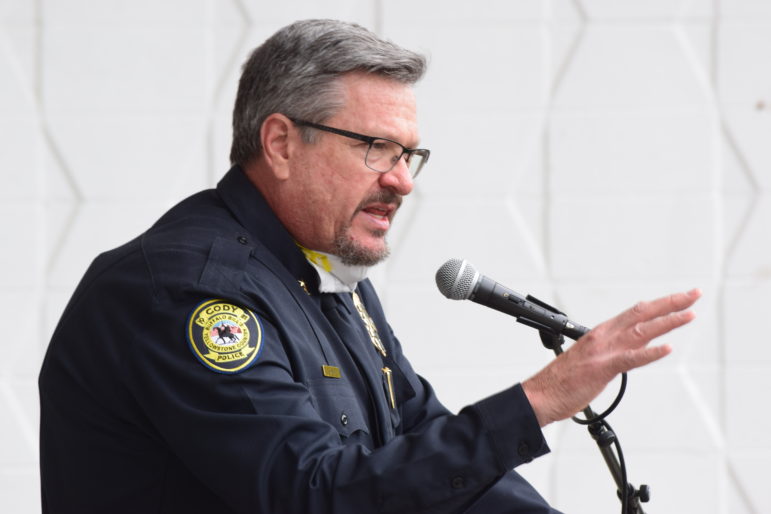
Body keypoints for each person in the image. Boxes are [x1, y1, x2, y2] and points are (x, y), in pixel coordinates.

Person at [38, 19, 700, 513]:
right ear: (280, 143)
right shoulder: (185, 290)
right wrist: (537, 402)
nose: (402, 181)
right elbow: (313, 494)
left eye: (410, 155)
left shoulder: (328, 277)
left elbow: (424, 446)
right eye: (376, 148)